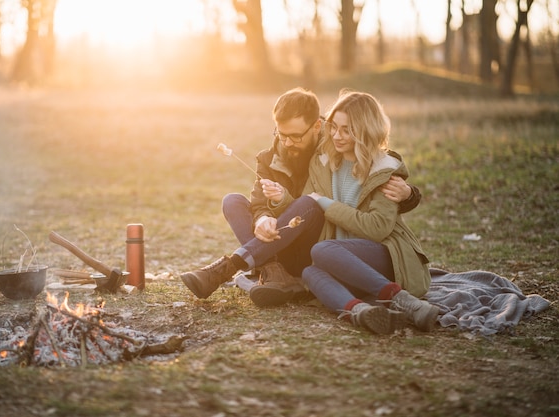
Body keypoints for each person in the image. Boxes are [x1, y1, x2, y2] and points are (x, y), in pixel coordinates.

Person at [180, 88, 421, 307]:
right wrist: (264, 215)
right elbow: (260, 201)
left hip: (318, 241)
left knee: (309, 204)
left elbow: (373, 175)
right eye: (281, 134)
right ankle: (274, 273)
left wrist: (410, 195)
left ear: (317, 126)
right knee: (232, 200)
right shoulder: (270, 158)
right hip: (280, 237)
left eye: (295, 136)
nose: (287, 143)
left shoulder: (332, 148)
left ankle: (231, 266)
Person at [276, 90, 439, 333]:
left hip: (386, 253)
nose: (336, 136)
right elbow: (308, 203)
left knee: (321, 250)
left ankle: (405, 302)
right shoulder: (323, 162)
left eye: (347, 130)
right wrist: (280, 200)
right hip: (341, 256)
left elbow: (377, 228)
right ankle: (361, 312)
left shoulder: (383, 169)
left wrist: (328, 205)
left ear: (365, 130)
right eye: (334, 127)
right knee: (310, 272)